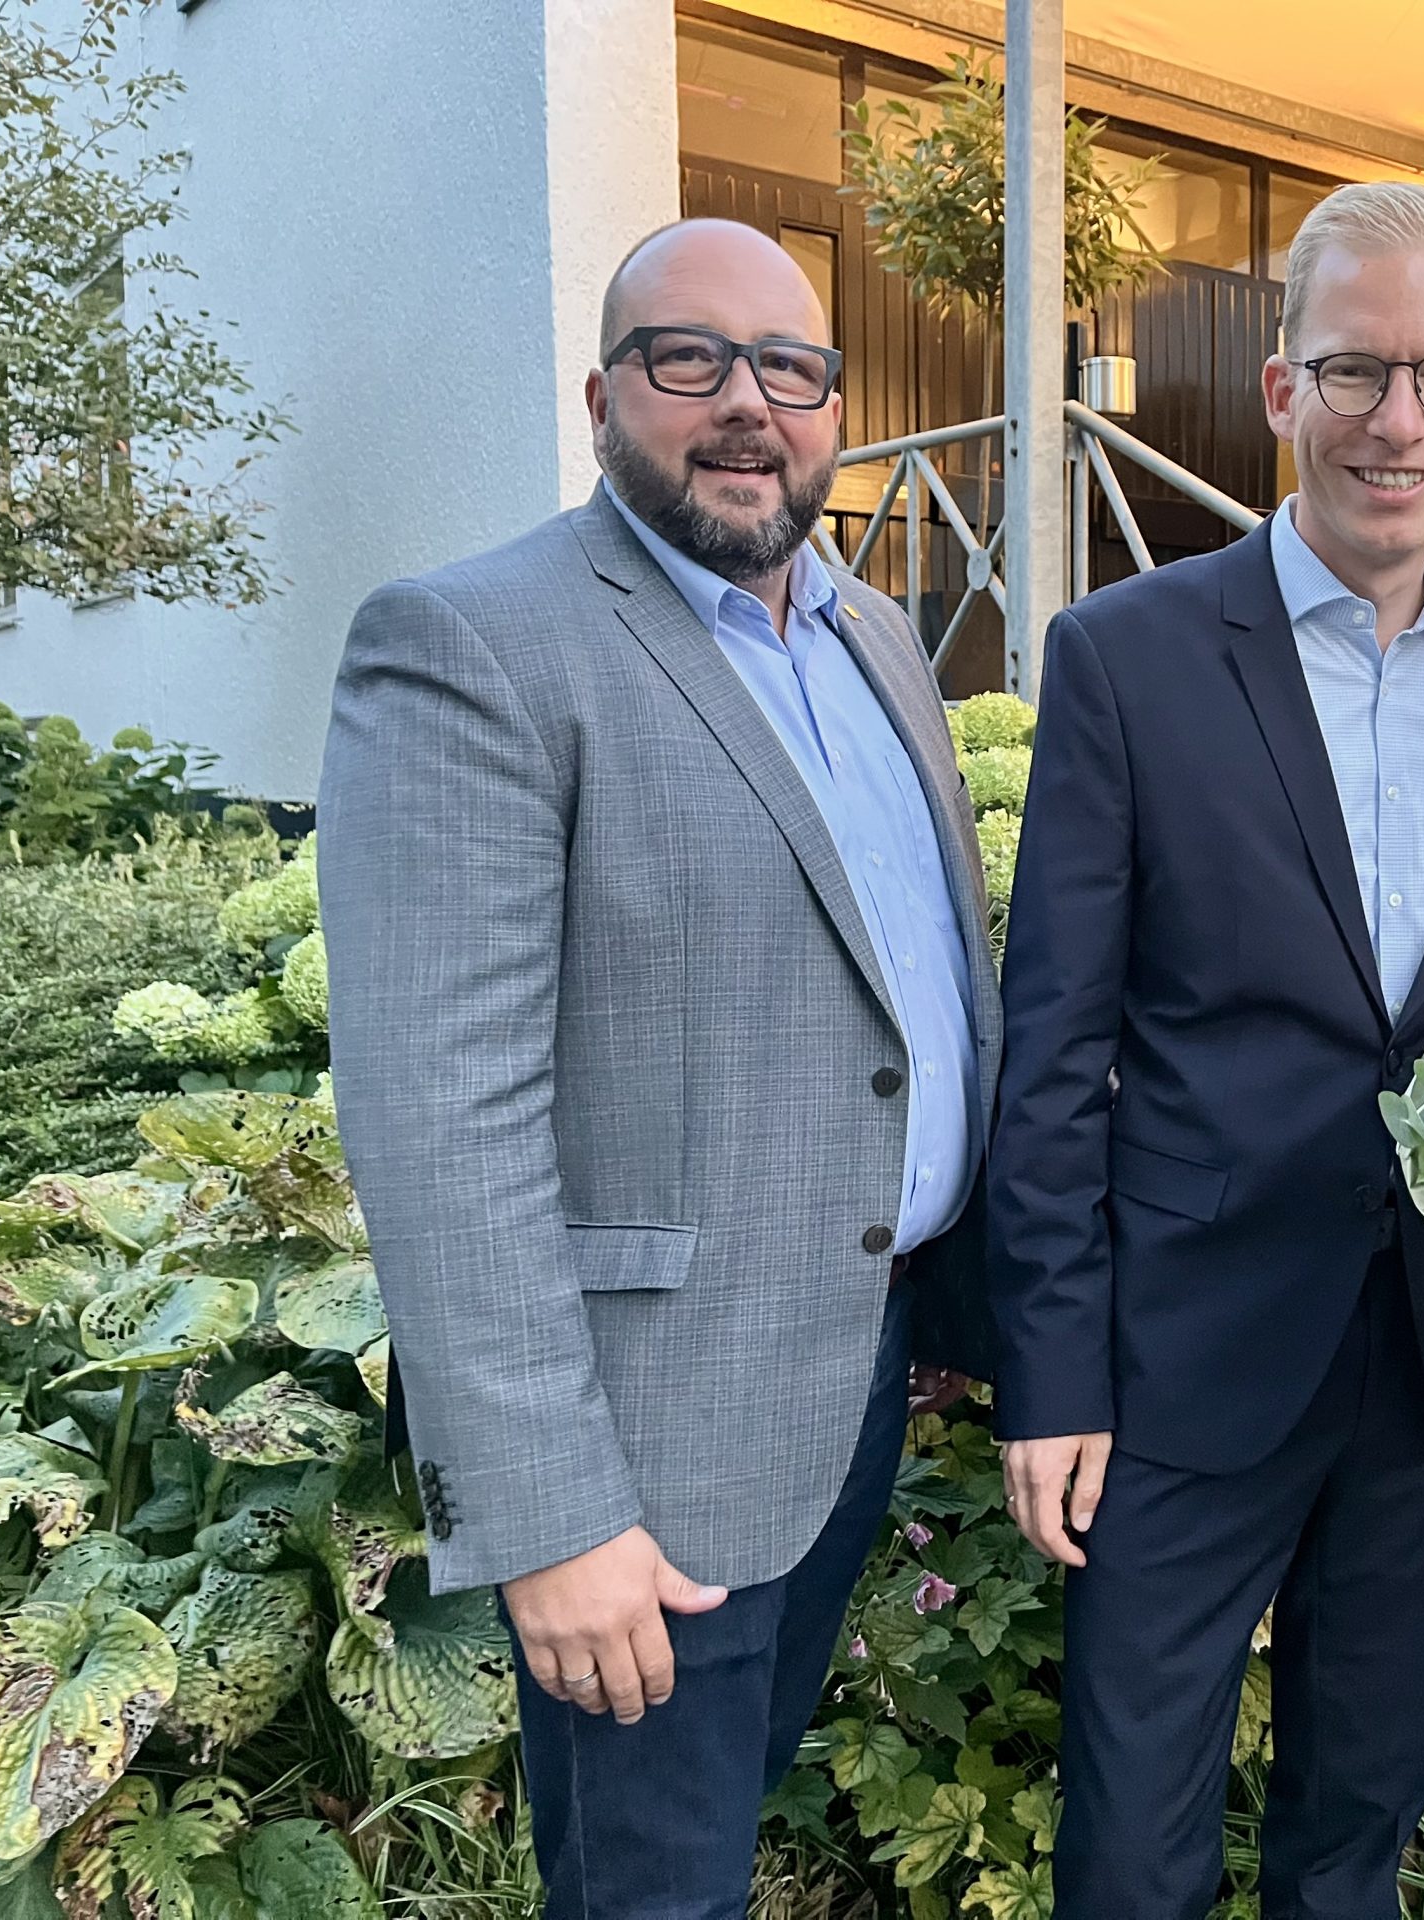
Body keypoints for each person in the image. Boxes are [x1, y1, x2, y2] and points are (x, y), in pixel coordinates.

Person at [317, 218, 998, 1918]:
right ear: (603, 394)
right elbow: (441, 1120)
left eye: (791, 367)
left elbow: (912, 990)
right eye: (690, 359)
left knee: (722, 1824)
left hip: (855, 1368)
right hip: (644, 1450)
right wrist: (549, 1517)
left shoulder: (875, 639)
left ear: (832, 406)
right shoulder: (475, 643)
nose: (747, 403)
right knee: (653, 1893)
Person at [987, 182, 1424, 1919]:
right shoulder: (1125, 658)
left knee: (1354, 1829)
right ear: (1283, 387)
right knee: (1132, 1843)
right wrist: (1053, 1376)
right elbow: (1053, 1046)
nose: (1399, 422)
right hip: (1183, 1354)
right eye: (1356, 370)